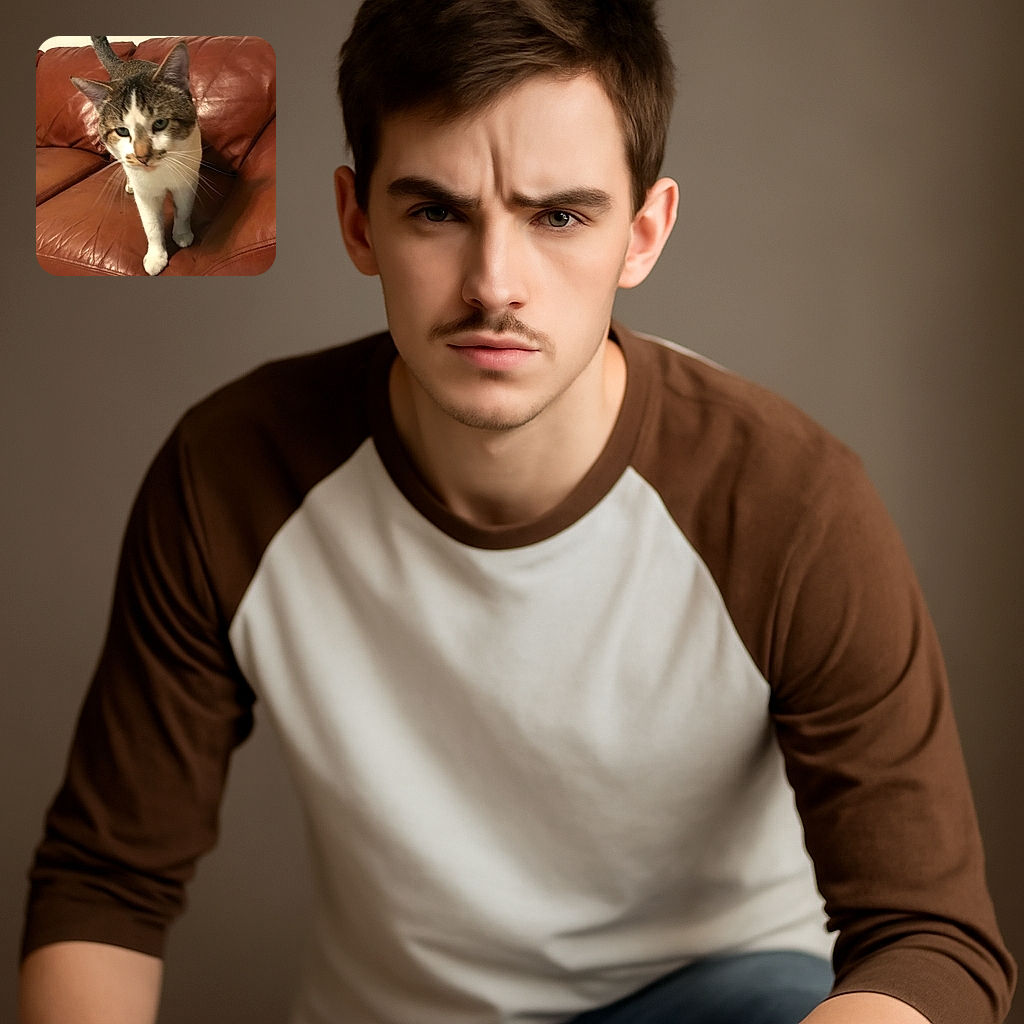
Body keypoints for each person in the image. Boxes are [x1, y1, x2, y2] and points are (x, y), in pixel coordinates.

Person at [19, 2, 1016, 1023]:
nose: (496, 286)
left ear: (643, 232)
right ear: (358, 221)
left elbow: (930, 939)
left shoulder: (789, 504)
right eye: (438, 212)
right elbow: (106, 888)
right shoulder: (230, 476)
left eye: (559, 215)